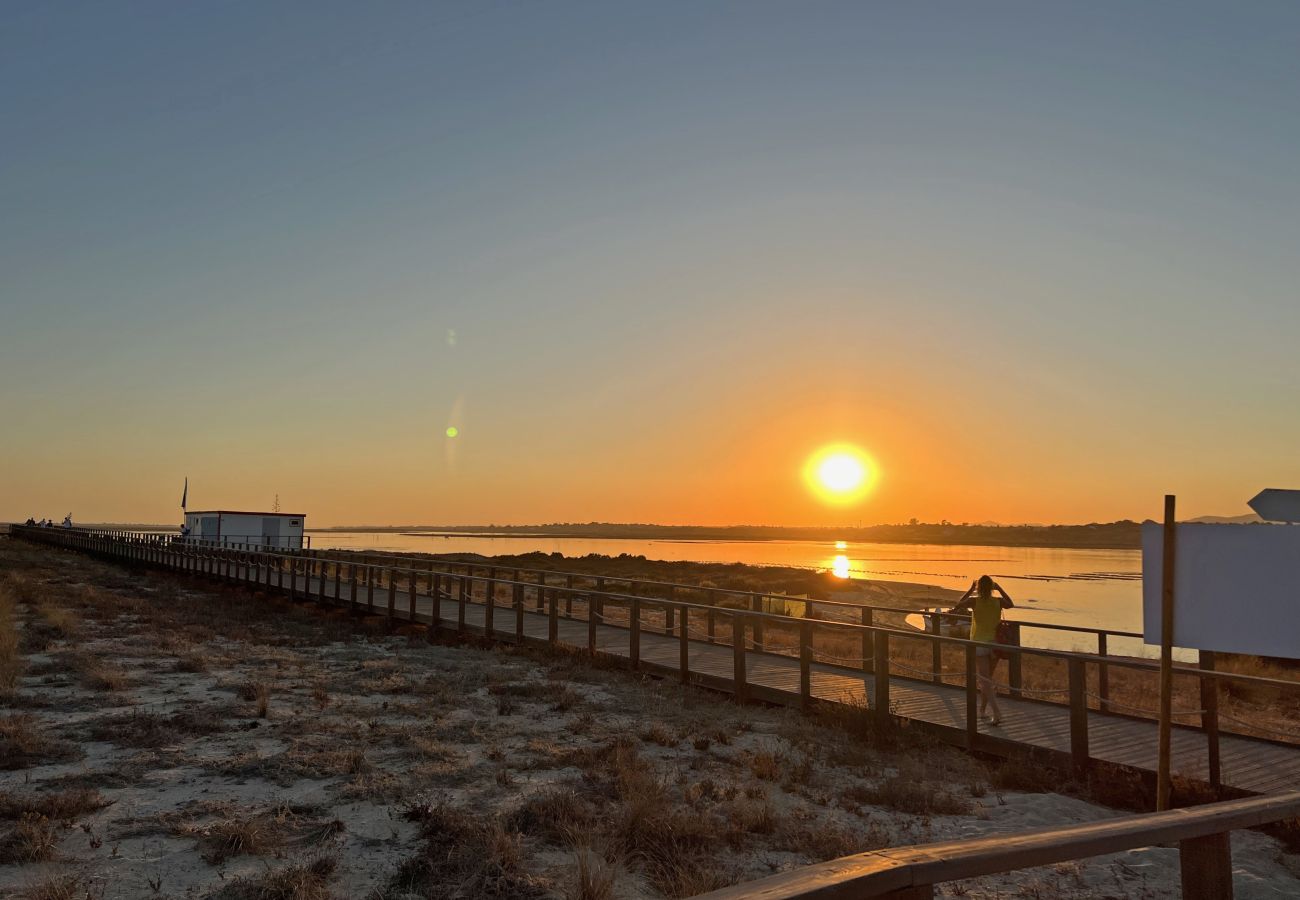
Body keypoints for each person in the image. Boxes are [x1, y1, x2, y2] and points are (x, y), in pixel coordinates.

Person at [951, 575, 1013, 726]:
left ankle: (996, 713)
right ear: (992, 587)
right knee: (987, 680)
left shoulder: (974, 601)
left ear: (978, 588)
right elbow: (1011, 604)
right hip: (994, 644)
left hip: (979, 644)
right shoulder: (998, 601)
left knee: (985, 681)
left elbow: (958, 604)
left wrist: (970, 589)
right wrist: (999, 589)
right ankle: (982, 711)